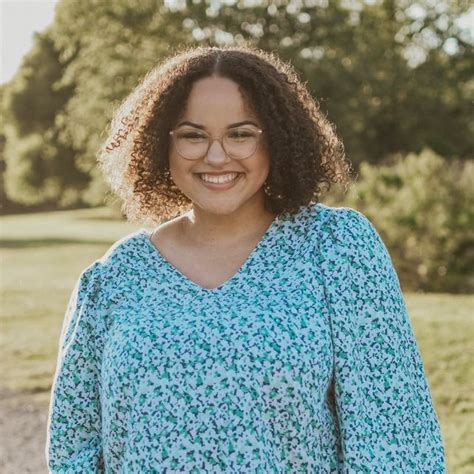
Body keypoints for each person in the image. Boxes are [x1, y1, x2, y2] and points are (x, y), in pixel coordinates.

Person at [45, 45, 447, 472]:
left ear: (276, 138)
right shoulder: (115, 277)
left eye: (241, 134)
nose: (217, 156)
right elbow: (74, 449)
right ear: (162, 142)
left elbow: (395, 438)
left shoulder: (335, 247)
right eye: (193, 135)